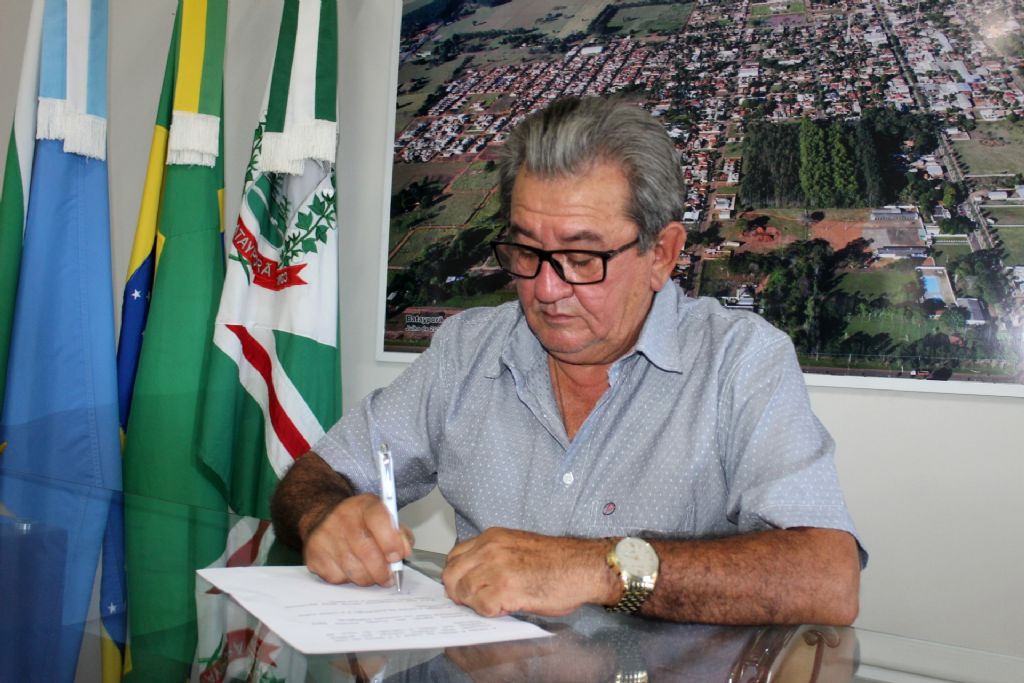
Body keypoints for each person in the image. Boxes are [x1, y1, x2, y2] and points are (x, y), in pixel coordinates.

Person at [271, 96, 865, 625]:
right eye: (526, 250)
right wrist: (323, 518)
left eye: (582, 259)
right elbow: (315, 476)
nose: (546, 289)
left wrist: (599, 569)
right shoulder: (466, 350)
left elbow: (826, 579)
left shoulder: (740, 361)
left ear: (662, 253)